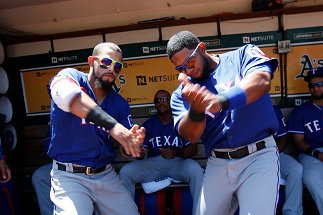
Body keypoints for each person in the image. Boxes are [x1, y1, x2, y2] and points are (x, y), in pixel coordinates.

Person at [166, 30, 280, 215]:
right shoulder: (183, 93)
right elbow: (190, 135)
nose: (188, 70)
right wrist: (196, 109)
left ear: (201, 48)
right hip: (218, 163)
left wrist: (219, 101)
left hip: (257, 156)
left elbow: (262, 80)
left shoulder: (241, 56)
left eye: (190, 63)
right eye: (181, 68)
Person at [48, 42, 145, 214]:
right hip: (70, 176)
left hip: (105, 175)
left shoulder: (119, 103)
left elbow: (125, 147)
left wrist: (132, 144)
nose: (111, 69)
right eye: (106, 62)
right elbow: (66, 96)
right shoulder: (72, 76)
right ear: (92, 61)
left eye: (118, 66)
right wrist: (113, 126)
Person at [119, 89, 204, 214]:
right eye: (157, 101)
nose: (161, 103)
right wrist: (140, 153)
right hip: (154, 164)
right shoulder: (149, 124)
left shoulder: (179, 121)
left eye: (164, 99)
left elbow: (193, 149)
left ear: (170, 102)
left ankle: (200, 212)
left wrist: (175, 152)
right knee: (125, 172)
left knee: (196, 171)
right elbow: (141, 155)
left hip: (178, 162)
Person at [288, 67, 323, 214]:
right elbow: (299, 142)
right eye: (312, 85)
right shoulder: (300, 111)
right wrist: (317, 154)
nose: (315, 88)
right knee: (310, 177)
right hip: (312, 154)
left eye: (319, 84)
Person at [273, 105, 303, 215]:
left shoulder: (272, 109)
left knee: (295, 169)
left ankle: (292, 212)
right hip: (247, 156)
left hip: (272, 153)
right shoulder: (239, 109)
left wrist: (273, 154)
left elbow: (283, 138)